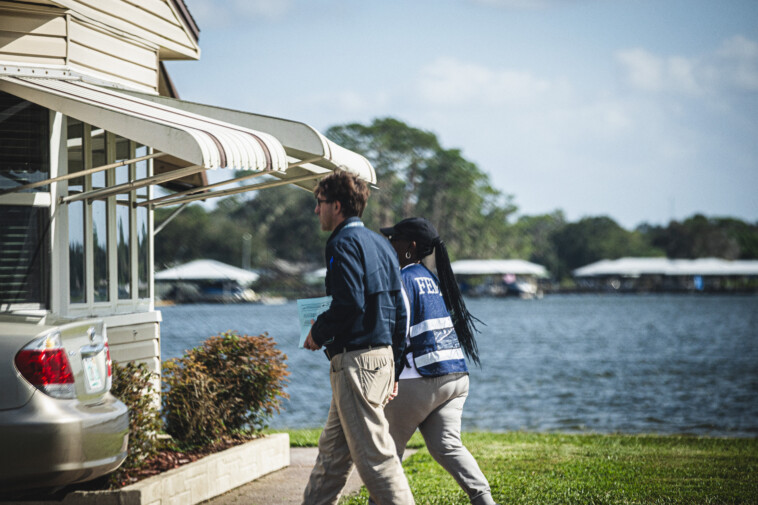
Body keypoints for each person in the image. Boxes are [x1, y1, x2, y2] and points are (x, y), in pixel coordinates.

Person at [302, 171, 415, 505]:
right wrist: (393, 365)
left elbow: (349, 302)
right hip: (377, 362)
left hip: (356, 365)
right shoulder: (380, 243)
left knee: (377, 461)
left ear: (337, 206)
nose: (315, 210)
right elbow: (400, 310)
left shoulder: (342, 243)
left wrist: (317, 332)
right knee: (331, 461)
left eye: (319, 203)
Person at [372, 217, 498, 505]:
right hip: (455, 377)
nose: (389, 243)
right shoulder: (431, 278)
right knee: (447, 446)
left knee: (386, 454)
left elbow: (399, 330)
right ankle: (484, 500)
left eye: (394, 239)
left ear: (410, 247)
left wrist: (388, 373)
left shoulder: (403, 278)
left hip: (420, 380)